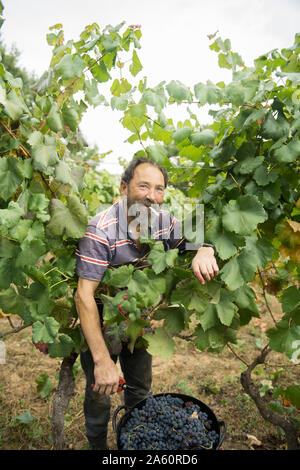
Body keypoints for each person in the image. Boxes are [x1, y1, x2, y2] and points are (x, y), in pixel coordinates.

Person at [74, 157, 219, 450]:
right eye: (143, 186)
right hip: (103, 318)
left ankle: (136, 441)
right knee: (100, 392)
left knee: (140, 388)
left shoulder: (163, 221)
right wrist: (102, 360)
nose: (152, 196)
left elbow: (198, 238)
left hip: (140, 318)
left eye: (159, 189)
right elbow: (83, 296)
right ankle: (99, 446)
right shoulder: (101, 230)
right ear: (124, 187)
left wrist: (204, 249)